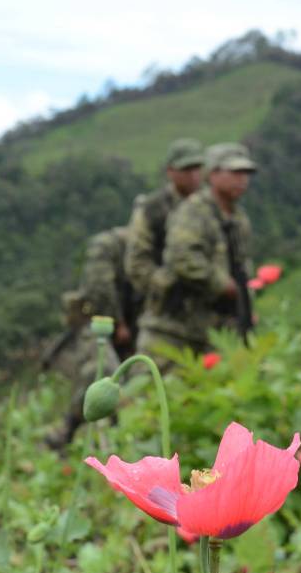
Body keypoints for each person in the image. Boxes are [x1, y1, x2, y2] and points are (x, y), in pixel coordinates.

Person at [136, 142, 255, 368]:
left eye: (246, 173)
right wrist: (222, 284)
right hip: (174, 330)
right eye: (235, 172)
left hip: (214, 331)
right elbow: (181, 258)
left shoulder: (238, 218)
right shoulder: (193, 211)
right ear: (213, 174)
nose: (242, 179)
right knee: (152, 396)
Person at [43, 226, 136, 445]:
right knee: (102, 374)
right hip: (97, 323)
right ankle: (68, 429)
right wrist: (118, 321)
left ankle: (120, 441)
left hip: (132, 329)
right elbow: (99, 286)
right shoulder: (110, 244)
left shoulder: (152, 248)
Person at [125, 138, 205, 304]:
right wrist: (165, 287)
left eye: (197, 168)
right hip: (167, 304)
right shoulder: (153, 208)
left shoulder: (211, 206)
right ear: (170, 171)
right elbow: (137, 262)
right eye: (186, 169)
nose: (193, 175)